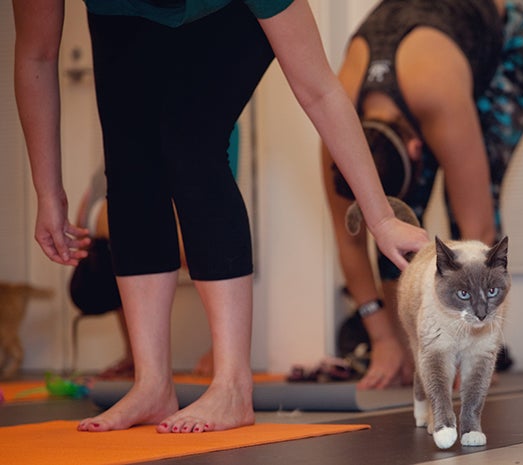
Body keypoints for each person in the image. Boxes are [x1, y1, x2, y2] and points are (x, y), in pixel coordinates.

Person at [13, 0, 428, 433]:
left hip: (233, 11)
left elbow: (319, 90)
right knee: (130, 158)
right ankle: (151, 384)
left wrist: (380, 219)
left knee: (190, 143)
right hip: (122, 13)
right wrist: (48, 190)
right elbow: (35, 55)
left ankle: (232, 386)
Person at [322, 0, 523, 389]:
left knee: (468, 221)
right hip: (427, 45)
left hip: (505, 36)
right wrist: (384, 339)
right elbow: (350, 239)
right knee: (402, 229)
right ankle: (406, 350)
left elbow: (479, 226)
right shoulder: (337, 133)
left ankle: (475, 346)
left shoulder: (437, 98)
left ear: (417, 150)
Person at [70, 168, 214, 378]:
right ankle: (138, 356)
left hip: (126, 195)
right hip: (117, 199)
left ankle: (142, 357)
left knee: (200, 257)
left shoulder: (109, 226)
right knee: (131, 265)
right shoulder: (98, 228)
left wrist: (220, 354)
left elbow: (214, 267)